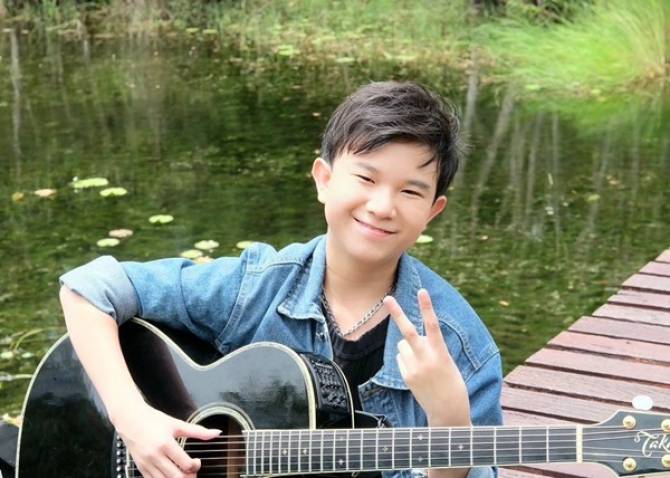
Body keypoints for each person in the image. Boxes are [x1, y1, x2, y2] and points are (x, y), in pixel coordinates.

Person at [59, 81, 503, 478]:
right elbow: (89, 289)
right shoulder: (257, 288)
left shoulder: (462, 348)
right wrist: (132, 417)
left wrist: (450, 421)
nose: (383, 206)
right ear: (324, 180)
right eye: (366, 178)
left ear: (432, 212)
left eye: (410, 191)